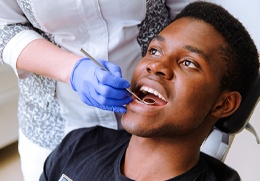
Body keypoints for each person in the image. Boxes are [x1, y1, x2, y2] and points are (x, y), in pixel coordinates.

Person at [39, 1, 259, 180]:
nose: (156, 66)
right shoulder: (78, 146)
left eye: (188, 63)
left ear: (224, 104)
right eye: (154, 50)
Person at [0, 1, 193, 180]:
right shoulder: (61, 156)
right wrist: (73, 71)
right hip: (55, 126)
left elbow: (192, 15)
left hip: (163, 135)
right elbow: (4, 26)